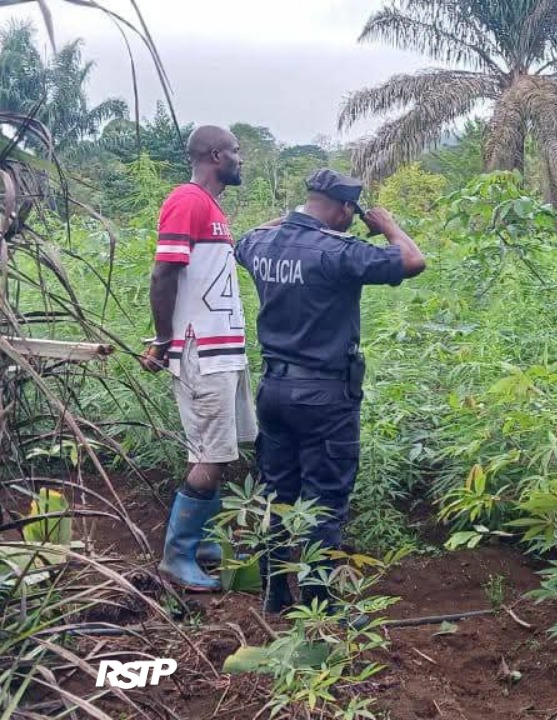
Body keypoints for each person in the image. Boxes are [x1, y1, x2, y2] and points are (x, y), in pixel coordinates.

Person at [234, 169, 425, 615]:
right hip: (324, 396)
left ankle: (275, 596)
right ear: (343, 209)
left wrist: (292, 220)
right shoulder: (339, 252)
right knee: (325, 499)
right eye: (350, 215)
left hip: (275, 389)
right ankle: (320, 605)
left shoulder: (259, 244)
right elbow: (412, 260)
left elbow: (245, 238)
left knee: (275, 494)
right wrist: (388, 227)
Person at [140, 126, 255, 592]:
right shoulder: (187, 200)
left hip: (223, 350)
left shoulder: (212, 208)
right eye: (235, 151)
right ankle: (177, 555)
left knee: (220, 451)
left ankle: (202, 540)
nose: (239, 158)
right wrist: (164, 338)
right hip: (201, 350)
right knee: (208, 454)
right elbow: (163, 273)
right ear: (214, 156)